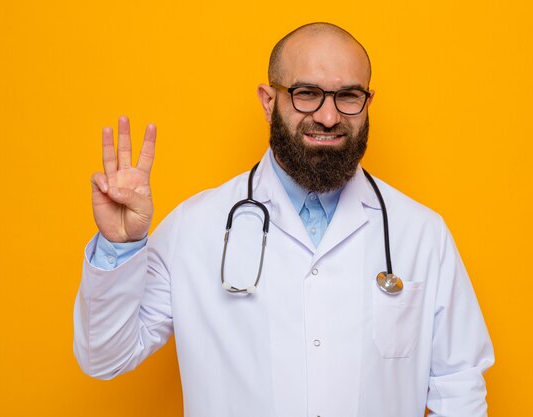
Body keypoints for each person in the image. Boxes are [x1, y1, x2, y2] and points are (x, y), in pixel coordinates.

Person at [74, 22, 494, 417]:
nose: (329, 117)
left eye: (348, 95)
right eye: (306, 93)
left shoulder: (421, 233)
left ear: (368, 103)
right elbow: (104, 357)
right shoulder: (194, 228)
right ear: (268, 100)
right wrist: (119, 247)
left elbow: (458, 385)